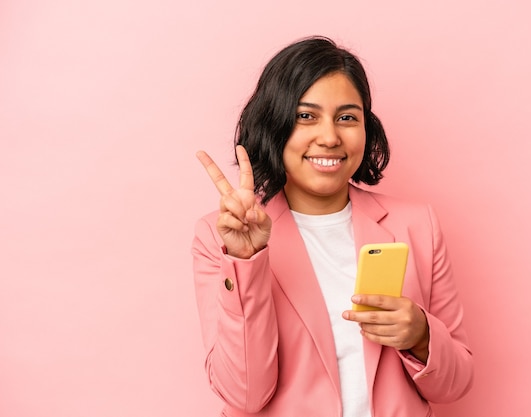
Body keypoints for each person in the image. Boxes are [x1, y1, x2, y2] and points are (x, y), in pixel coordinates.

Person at [192, 36, 473, 417]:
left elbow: (455, 384)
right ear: (275, 125)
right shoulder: (218, 237)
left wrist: (421, 336)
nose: (329, 137)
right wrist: (246, 261)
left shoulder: (417, 224)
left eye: (347, 117)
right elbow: (244, 395)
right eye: (306, 116)